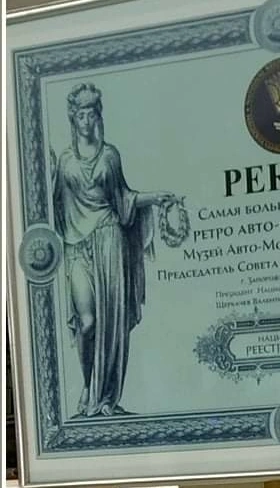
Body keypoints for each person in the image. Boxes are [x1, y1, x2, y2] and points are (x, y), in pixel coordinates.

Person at [53, 83, 174, 416]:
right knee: (87, 322)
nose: (86, 120)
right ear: (73, 118)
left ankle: (105, 396)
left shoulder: (110, 155)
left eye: (91, 114)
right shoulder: (63, 161)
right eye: (81, 114)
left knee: (111, 324)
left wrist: (155, 197)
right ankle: (87, 387)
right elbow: (52, 206)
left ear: (98, 117)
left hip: (109, 239)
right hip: (76, 247)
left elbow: (124, 200)